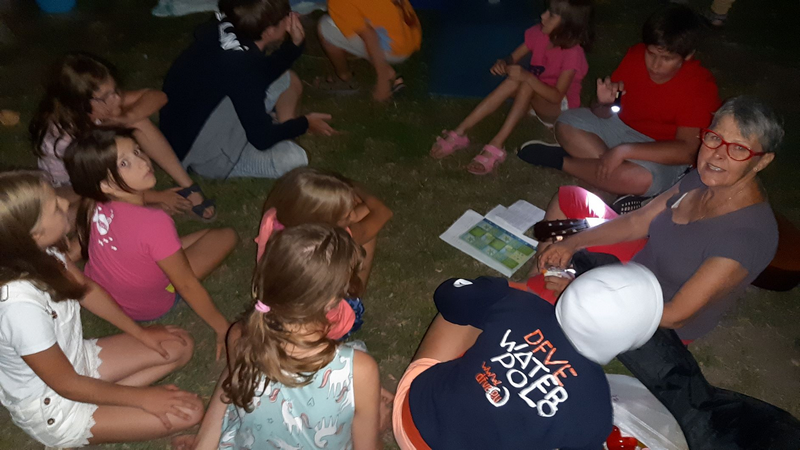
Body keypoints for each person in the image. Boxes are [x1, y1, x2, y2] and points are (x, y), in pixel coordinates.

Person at [535, 96, 799, 448]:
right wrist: (574, 242)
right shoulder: (702, 179)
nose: (717, 155)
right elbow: (639, 221)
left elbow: (676, 315)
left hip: (654, 316)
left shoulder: (745, 237)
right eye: (714, 138)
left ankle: (549, 290)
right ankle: (553, 273)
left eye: (739, 149)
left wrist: (583, 290)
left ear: (762, 161)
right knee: (570, 198)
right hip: (637, 265)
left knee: (544, 304)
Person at [0, 171, 203, 448]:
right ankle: (89, 417)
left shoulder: (42, 252)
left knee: (179, 344)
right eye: (54, 206)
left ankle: (105, 399)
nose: (65, 202)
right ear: (34, 234)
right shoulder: (19, 308)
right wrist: (144, 398)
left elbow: (87, 290)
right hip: (55, 405)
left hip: (77, 360)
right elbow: (66, 384)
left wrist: (140, 333)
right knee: (190, 412)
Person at [393, 263, 664, 450]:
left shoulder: (519, 305)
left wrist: (509, 288)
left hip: (411, 419)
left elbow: (449, 295)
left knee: (470, 308)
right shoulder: (596, 407)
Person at [174, 225, 388, 450]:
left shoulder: (240, 336)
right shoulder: (358, 369)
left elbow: (232, 385)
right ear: (331, 302)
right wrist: (376, 427)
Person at [519, 5, 720, 211]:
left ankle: (563, 161)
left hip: (661, 151)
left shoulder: (700, 86)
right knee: (566, 122)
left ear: (687, 55)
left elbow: (687, 151)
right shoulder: (635, 55)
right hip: (620, 129)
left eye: (667, 59)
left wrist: (624, 151)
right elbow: (604, 112)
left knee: (641, 178)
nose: (655, 65)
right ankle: (613, 180)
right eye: (651, 54)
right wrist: (604, 103)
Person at [63, 129, 238, 359]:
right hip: (148, 305)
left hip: (105, 290)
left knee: (194, 239)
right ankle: (167, 269)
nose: (143, 161)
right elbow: (187, 285)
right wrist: (223, 328)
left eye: (137, 151)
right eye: (125, 163)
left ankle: (165, 257)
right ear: (106, 185)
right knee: (226, 236)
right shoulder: (155, 222)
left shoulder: (96, 202)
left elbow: (80, 245)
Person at [29, 52, 215, 222]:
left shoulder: (99, 105)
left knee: (139, 121)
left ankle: (188, 187)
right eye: (106, 97)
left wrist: (127, 117)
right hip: (72, 186)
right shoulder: (65, 137)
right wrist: (157, 196)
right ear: (80, 104)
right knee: (84, 205)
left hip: (104, 172)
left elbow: (159, 97)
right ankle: (145, 206)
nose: (117, 99)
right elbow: (97, 182)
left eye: (115, 90)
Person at [160, 0, 335, 180]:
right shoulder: (245, 69)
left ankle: (283, 130)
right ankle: (277, 133)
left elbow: (262, 73)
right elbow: (261, 139)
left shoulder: (229, 26)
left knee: (288, 80)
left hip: (191, 116)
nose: (293, 17)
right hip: (202, 152)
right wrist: (305, 123)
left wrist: (295, 44)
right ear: (269, 31)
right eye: (286, 16)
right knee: (294, 159)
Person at [431, 0, 593, 175]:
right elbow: (513, 57)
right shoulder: (539, 33)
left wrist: (528, 77)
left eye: (551, 15)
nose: (543, 16)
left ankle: (497, 144)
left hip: (560, 111)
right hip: (535, 98)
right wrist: (504, 63)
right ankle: (460, 132)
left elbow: (556, 96)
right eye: (546, 11)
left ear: (568, 24)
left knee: (526, 82)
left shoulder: (572, 53)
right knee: (517, 81)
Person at [255, 167, 393, 339]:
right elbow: (383, 212)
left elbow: (357, 214)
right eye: (346, 215)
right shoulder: (336, 242)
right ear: (324, 221)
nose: (351, 216)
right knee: (367, 231)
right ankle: (357, 296)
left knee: (360, 217)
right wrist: (355, 188)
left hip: (279, 309)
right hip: (323, 327)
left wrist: (344, 198)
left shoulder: (272, 218)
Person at [317, 0, 421, 101]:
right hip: (411, 33)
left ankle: (344, 78)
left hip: (394, 48)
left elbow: (369, 35)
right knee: (351, 18)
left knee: (326, 27)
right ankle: (387, 70)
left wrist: (382, 81)